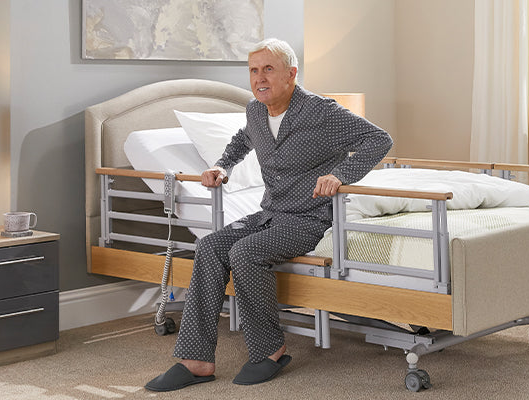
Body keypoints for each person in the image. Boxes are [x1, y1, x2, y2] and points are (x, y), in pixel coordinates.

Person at [144, 38, 392, 392]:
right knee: (211, 246)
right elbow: (242, 141)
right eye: (253, 70)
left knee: (245, 252)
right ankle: (195, 360)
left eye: (269, 69)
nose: (260, 78)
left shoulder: (319, 111)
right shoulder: (255, 111)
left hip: (309, 218)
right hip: (270, 214)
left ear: (291, 74)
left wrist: (341, 175)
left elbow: (379, 139)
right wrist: (222, 166)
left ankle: (269, 350)